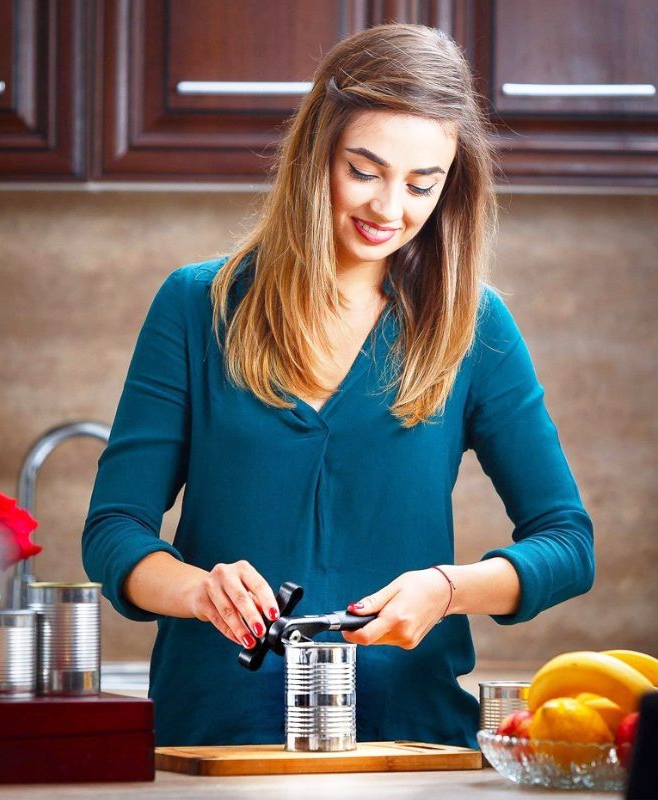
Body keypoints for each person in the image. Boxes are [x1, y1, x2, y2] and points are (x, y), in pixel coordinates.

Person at [82, 23, 594, 748]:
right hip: (213, 741)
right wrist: (198, 590)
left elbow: (568, 543)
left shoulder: (475, 324)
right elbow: (113, 533)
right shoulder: (196, 307)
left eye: (423, 183)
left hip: (410, 744)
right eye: (364, 170)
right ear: (315, 152)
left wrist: (447, 590)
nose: (391, 209)